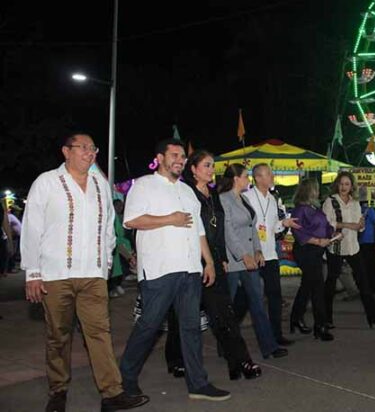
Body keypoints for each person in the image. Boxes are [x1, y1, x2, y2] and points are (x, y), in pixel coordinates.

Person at [21, 133, 148, 412]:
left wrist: (104, 264)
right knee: (58, 335)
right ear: (66, 151)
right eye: (84, 148)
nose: (90, 153)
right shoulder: (46, 182)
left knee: (100, 332)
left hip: (92, 274)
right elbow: (31, 227)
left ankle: (111, 393)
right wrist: (33, 272)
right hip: (55, 274)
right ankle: (58, 390)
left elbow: (108, 228)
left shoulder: (100, 184)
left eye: (93, 149)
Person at [119, 138, 230, 402]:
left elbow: (198, 229)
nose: (180, 160)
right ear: (160, 158)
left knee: (191, 329)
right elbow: (131, 220)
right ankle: (125, 379)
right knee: (149, 325)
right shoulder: (144, 185)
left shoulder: (187, 191)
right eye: (175, 155)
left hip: (190, 270)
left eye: (182, 157)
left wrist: (209, 262)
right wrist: (170, 219)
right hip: (160, 271)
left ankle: (198, 384)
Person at [175, 150, 261, 380]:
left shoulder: (213, 195)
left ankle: (241, 361)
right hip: (191, 259)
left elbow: (220, 229)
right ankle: (176, 360)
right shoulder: (185, 193)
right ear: (193, 169)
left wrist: (221, 257)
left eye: (213, 165)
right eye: (206, 165)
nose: (212, 170)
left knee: (223, 314)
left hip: (214, 259)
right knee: (182, 316)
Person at [219, 163, 288, 359]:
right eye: (245, 177)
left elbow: (253, 227)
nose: (248, 180)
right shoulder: (224, 200)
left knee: (257, 302)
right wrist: (243, 254)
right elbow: (228, 231)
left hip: (251, 259)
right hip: (234, 260)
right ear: (236, 179)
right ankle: (225, 344)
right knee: (228, 306)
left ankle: (269, 346)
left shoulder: (244, 200)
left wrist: (257, 250)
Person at [243, 163, 301, 346]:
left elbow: (274, 226)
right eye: (269, 174)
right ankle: (228, 335)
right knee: (245, 298)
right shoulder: (246, 197)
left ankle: (276, 335)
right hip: (253, 254)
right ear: (258, 178)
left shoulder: (272, 199)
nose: (272, 176)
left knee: (275, 295)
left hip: (270, 254)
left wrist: (285, 223)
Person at [322, 172, 375, 328]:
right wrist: (349, 225)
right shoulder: (330, 202)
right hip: (336, 247)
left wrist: (361, 224)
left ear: (351, 187)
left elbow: (360, 227)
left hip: (353, 247)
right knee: (330, 283)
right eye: (342, 184)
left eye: (347, 184)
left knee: (364, 283)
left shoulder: (355, 203)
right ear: (337, 184)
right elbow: (327, 224)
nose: (344, 187)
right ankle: (326, 319)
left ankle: (374, 317)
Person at [290, 178, 336, 341]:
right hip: (306, 250)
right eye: (315, 189)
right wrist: (317, 241)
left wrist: (333, 234)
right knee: (317, 288)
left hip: (316, 250)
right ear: (309, 191)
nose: (318, 192)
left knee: (308, 286)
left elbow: (325, 227)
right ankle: (320, 325)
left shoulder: (314, 208)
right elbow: (298, 232)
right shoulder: (300, 210)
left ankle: (296, 318)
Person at [359, 202, 375, 294]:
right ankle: (371, 287)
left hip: (363, 242)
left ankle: (369, 287)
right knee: (369, 266)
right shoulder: (368, 210)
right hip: (366, 241)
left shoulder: (364, 210)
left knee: (365, 266)